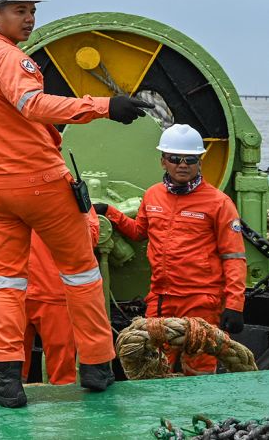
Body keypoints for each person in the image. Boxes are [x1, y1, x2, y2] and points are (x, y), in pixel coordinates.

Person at [0, 0, 150, 408]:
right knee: (81, 273)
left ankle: (5, 379)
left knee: (5, 283)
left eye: (32, 11)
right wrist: (105, 105)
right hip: (39, 183)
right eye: (20, 10)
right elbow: (32, 104)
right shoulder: (9, 58)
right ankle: (97, 365)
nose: (30, 19)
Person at [98, 124, 247, 375]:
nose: (183, 165)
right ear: (163, 161)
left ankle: (199, 401)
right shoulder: (153, 196)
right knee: (155, 364)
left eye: (190, 159)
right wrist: (110, 212)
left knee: (199, 366)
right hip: (161, 297)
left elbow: (233, 257)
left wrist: (235, 305)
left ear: (200, 162)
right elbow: (139, 232)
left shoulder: (219, 203)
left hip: (201, 299)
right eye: (175, 158)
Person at [22, 211, 100, 384]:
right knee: (8, 364)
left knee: (61, 369)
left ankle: (63, 400)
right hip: (23, 291)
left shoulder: (73, 196)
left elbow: (89, 238)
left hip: (46, 292)